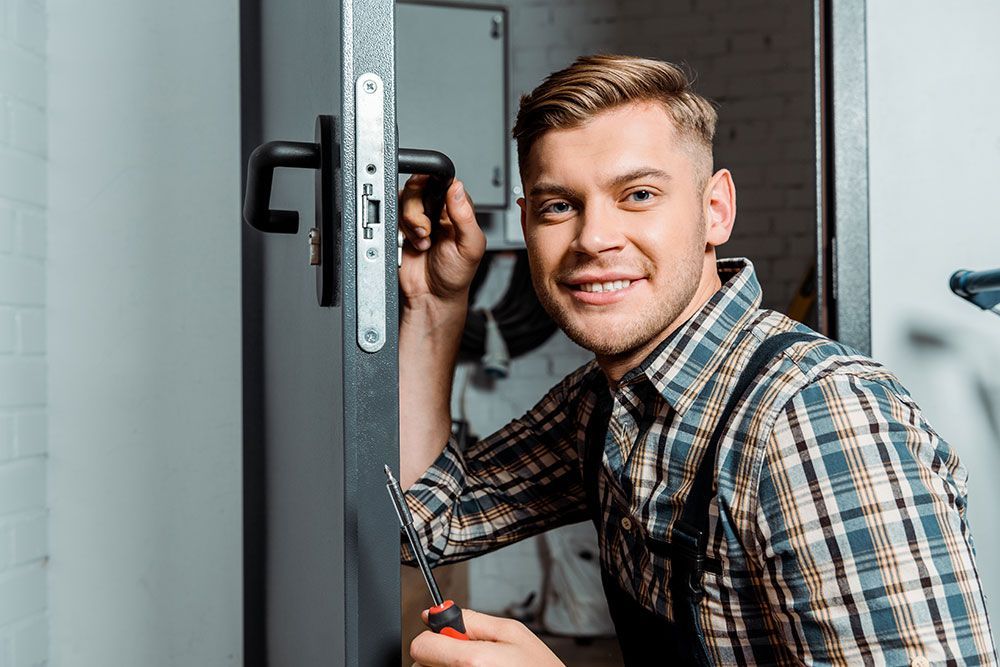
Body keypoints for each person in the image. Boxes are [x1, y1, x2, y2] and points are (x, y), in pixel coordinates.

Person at [396, 54, 997, 666]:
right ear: (526, 225)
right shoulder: (605, 404)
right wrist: (434, 305)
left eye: (638, 194)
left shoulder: (813, 420)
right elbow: (420, 522)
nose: (593, 238)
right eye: (559, 206)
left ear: (716, 211)